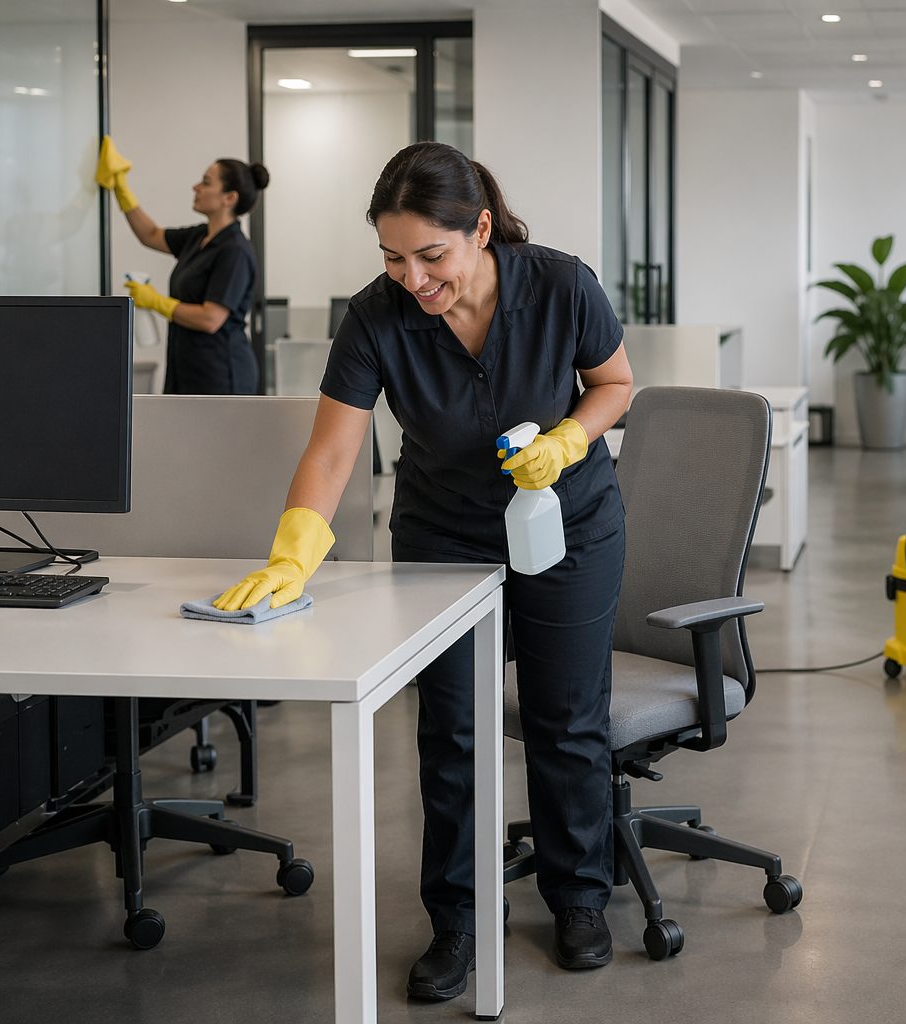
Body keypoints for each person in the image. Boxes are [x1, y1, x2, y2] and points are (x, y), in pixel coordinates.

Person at [211, 142, 632, 994]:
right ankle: (457, 918)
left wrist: (568, 439)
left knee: (565, 717)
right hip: (444, 533)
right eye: (393, 257)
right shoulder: (376, 316)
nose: (414, 278)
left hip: (566, 521)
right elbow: (333, 453)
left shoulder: (560, 284)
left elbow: (614, 382)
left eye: (431, 255)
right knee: (452, 731)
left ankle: (579, 896)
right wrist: (294, 550)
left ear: (480, 230)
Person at [95, 136, 265, 395]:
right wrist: (122, 189)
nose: (195, 187)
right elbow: (150, 234)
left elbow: (211, 319)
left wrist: (155, 302)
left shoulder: (235, 251)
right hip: (186, 366)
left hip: (220, 375)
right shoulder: (199, 236)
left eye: (206, 182)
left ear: (229, 198)